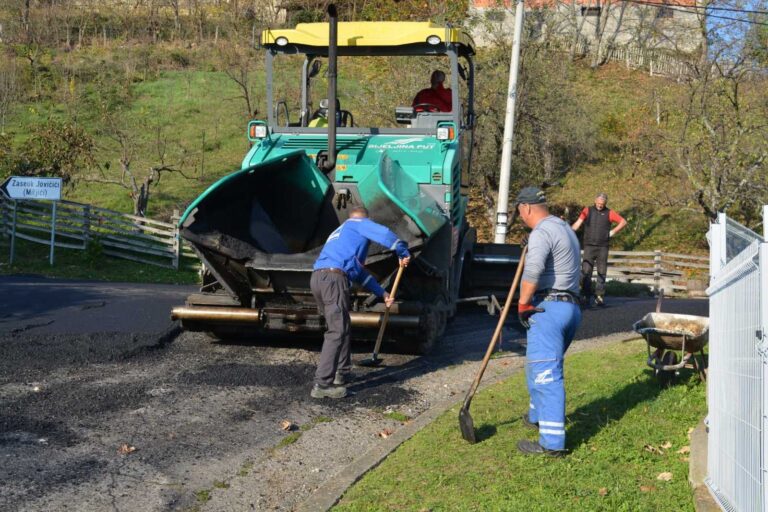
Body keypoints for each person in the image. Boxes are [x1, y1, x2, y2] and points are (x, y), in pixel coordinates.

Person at [310, 206, 410, 399]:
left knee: (342, 325)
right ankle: (322, 384)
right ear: (364, 219)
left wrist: (382, 293)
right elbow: (384, 234)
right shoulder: (357, 224)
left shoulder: (340, 235)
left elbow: (358, 273)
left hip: (319, 278)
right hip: (333, 279)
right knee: (337, 331)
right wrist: (402, 251)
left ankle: (342, 372)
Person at [514, 186, 582, 457]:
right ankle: (536, 416)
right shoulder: (564, 228)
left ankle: (552, 443)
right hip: (570, 308)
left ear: (526, 208)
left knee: (546, 373)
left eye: (520, 212)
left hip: (549, 309)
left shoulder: (541, 231)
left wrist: (522, 303)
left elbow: (534, 269)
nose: (521, 218)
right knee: (537, 364)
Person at [570, 193, 627, 306]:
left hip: (602, 247)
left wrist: (613, 232)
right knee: (586, 271)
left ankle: (599, 297)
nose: (600, 205)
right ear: (595, 201)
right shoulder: (587, 210)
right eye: (599, 203)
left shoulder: (609, 213)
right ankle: (586, 296)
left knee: (602, 272)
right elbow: (578, 223)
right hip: (589, 246)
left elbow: (623, 222)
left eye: (602, 204)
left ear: (605, 203)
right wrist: (568, 231)